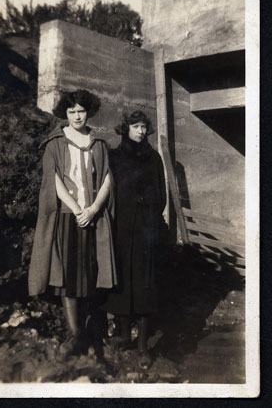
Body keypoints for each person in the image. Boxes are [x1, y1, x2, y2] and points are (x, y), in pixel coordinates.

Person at [28, 89, 117, 356]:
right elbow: (53, 178)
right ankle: (75, 334)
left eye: (81, 111)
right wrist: (78, 208)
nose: (77, 116)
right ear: (64, 114)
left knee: (90, 273)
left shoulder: (99, 143)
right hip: (68, 216)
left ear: (88, 112)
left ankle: (89, 332)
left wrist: (93, 209)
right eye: (71, 111)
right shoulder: (56, 142)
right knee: (68, 275)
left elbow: (108, 179)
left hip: (92, 216)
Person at [102, 110, 167, 369]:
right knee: (122, 279)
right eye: (136, 126)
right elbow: (108, 190)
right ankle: (123, 335)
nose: (141, 131)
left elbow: (161, 194)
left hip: (145, 229)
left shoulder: (153, 158)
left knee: (143, 280)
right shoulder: (114, 157)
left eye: (144, 127)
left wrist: (148, 211)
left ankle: (142, 346)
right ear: (126, 128)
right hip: (120, 227)